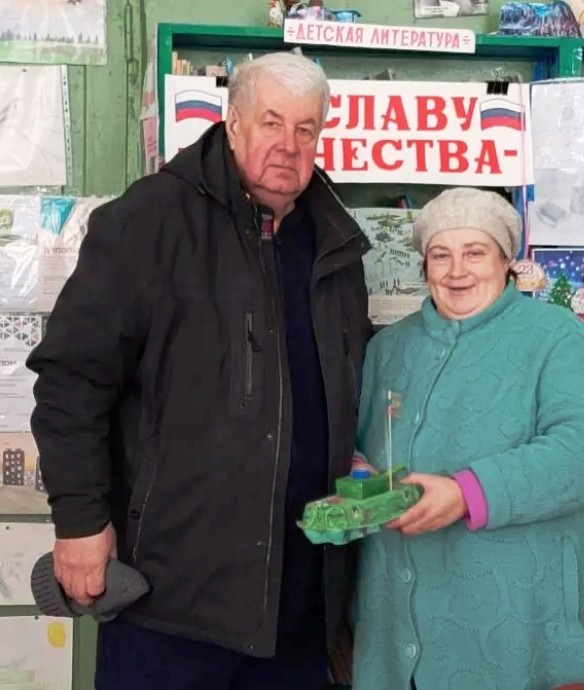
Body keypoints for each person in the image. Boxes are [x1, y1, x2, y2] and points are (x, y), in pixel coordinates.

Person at [26, 51, 372, 690]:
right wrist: (79, 522)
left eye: (306, 129)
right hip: (173, 600)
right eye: (271, 123)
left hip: (300, 599)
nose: (289, 145)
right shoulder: (150, 219)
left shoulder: (334, 239)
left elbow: (338, 381)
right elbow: (71, 380)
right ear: (232, 123)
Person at [351, 187, 584, 690]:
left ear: (506, 261)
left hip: (520, 621)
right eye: (440, 255)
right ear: (425, 267)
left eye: (474, 252)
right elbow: (360, 444)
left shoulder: (556, 334)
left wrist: (466, 493)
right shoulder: (387, 347)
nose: (457, 271)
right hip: (397, 619)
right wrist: (361, 476)